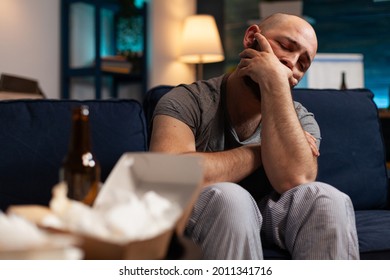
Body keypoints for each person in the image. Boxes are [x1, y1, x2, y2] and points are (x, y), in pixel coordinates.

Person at [149, 13, 359, 260]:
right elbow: (167, 177)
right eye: (286, 46)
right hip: (207, 215)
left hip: (272, 217)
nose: (292, 62)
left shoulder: (301, 119)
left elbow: (296, 179)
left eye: (303, 63)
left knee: (328, 198)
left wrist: (275, 85)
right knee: (230, 198)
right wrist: (261, 150)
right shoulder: (188, 100)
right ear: (251, 38)